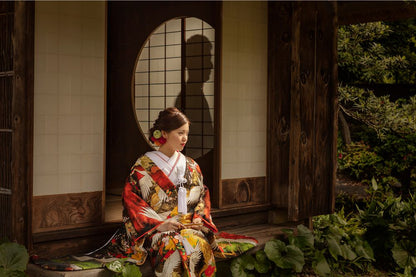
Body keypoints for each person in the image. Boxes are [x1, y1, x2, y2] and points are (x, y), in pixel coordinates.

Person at [89, 107, 257, 276]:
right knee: (173, 250)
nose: (184, 138)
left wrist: (198, 219)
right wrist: (160, 225)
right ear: (164, 133)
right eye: (180, 133)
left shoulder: (191, 165)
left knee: (200, 246)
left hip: (189, 226)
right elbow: (131, 201)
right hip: (156, 231)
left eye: (186, 133)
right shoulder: (142, 167)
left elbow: (202, 196)